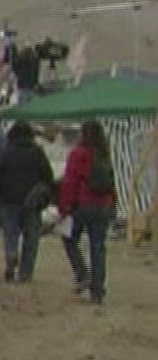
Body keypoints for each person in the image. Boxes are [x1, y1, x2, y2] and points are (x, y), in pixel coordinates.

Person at [59, 119, 117, 305]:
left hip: (83, 203)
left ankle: (83, 274)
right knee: (98, 247)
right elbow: (111, 181)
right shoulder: (104, 153)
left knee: (69, 239)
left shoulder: (79, 153)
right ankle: (97, 291)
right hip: (103, 204)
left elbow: (70, 181)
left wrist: (65, 206)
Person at [0, 120, 55, 283]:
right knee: (31, 237)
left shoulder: (4, 151)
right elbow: (47, 176)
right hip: (32, 201)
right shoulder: (37, 151)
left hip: (8, 199)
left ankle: (11, 255)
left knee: (10, 233)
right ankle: (26, 272)